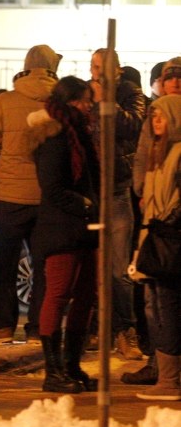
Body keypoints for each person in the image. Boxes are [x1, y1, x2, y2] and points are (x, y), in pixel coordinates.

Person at [0, 45, 61, 344]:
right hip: (48, 200)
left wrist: (4, 166)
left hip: (9, 199)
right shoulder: (59, 103)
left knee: (2, 265)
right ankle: (38, 328)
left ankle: (2, 325)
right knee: (44, 269)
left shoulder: (4, 102)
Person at [25, 76, 100, 394]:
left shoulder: (79, 133)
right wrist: (84, 204)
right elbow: (53, 187)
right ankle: (53, 371)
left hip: (84, 227)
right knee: (57, 295)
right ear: (69, 102)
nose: (89, 105)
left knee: (85, 297)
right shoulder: (55, 136)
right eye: (84, 100)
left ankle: (71, 365)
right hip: (61, 228)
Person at [86, 49, 146, 360]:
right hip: (91, 191)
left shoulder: (130, 94)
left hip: (118, 190)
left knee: (118, 269)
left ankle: (126, 331)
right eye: (94, 67)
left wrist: (104, 102)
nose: (97, 72)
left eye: (103, 67)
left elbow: (133, 126)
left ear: (117, 70)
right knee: (92, 266)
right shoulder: (85, 91)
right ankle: (96, 330)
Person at [132, 94, 181, 400]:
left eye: (162, 116)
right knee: (158, 307)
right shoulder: (157, 152)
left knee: (168, 308)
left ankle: (170, 380)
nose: (156, 121)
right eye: (153, 116)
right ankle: (168, 376)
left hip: (169, 239)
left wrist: (169, 222)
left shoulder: (178, 153)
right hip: (155, 238)